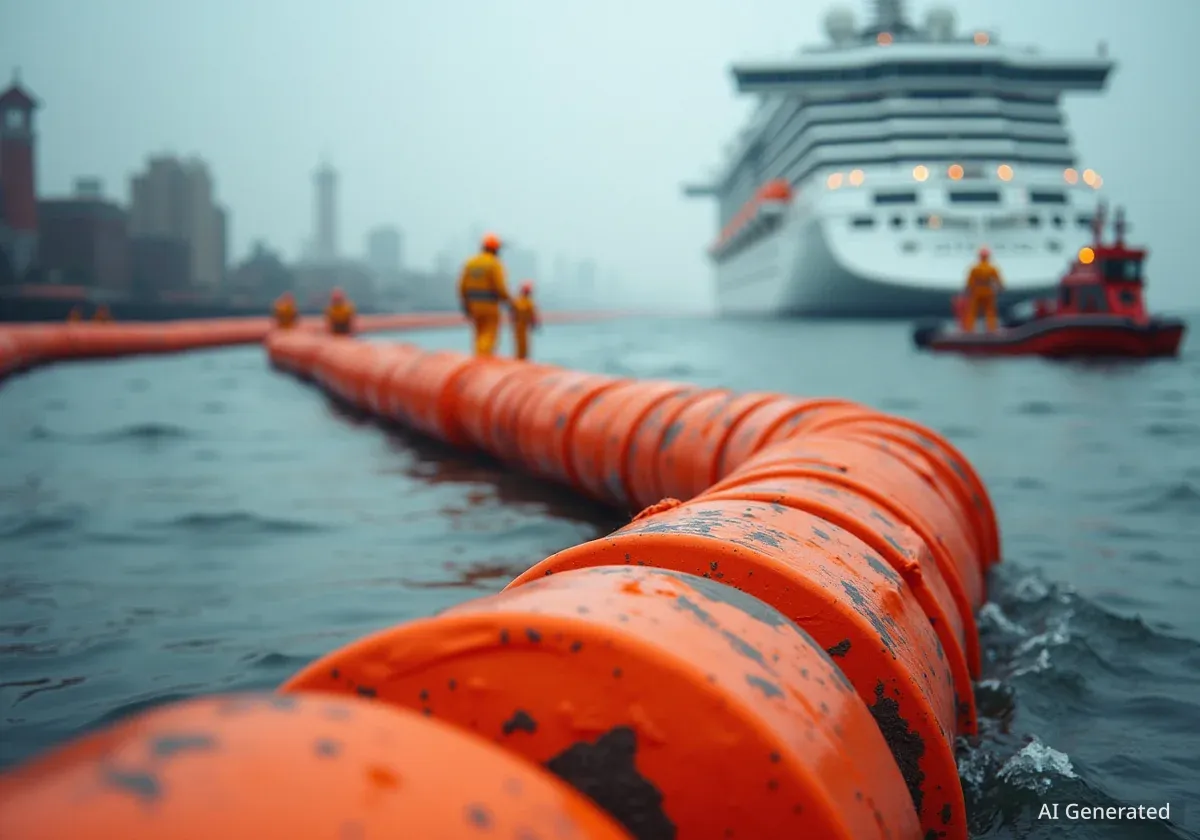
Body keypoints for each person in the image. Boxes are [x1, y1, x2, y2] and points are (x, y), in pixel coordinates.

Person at [458, 233, 512, 357]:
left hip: (473, 307)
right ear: (495, 249)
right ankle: (482, 360)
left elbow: (462, 287)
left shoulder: (470, 263)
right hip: (490, 307)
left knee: (478, 334)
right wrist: (509, 302)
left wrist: (465, 305)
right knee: (489, 335)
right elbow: (500, 288)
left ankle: (477, 357)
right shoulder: (494, 264)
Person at [961, 247, 1004, 332]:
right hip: (988, 291)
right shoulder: (992, 268)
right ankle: (992, 329)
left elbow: (970, 282)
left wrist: (967, 291)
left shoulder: (974, 268)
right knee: (990, 311)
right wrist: (1000, 288)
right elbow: (998, 280)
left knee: (972, 311)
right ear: (988, 256)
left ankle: (969, 329)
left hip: (976, 292)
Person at [510, 280, 540, 360]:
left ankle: (521, 358)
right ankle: (521, 358)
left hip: (521, 325)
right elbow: (532, 314)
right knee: (521, 343)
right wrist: (534, 323)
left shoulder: (519, 301)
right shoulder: (525, 302)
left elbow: (513, 312)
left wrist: (534, 323)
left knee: (522, 343)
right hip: (520, 325)